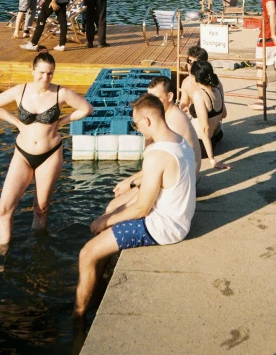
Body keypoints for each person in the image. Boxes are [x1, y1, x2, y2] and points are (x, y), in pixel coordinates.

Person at [73, 93, 196, 318]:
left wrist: (104, 221)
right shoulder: (179, 140)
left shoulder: (158, 154)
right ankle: (96, 281)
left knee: (87, 253)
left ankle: (77, 315)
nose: (137, 128)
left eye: (136, 123)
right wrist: (111, 215)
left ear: (147, 121)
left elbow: (142, 209)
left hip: (163, 228)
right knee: (110, 216)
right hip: (177, 218)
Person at [0, 52, 93, 245]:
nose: (45, 78)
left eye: (50, 73)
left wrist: (62, 121)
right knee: (4, 209)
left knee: (41, 208)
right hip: (22, 154)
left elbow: (86, 108)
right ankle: (2, 258)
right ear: (32, 70)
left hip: (50, 154)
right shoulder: (20, 91)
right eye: (42, 72)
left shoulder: (60, 93)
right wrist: (16, 123)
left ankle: (38, 248)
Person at [107, 75, 201, 212]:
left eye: (155, 99)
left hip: (180, 185)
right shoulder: (162, 118)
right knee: (116, 203)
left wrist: (131, 184)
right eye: (149, 98)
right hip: (176, 176)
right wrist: (130, 181)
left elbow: (159, 166)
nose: (150, 103)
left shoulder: (174, 122)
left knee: (113, 208)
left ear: (169, 97)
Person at [187, 61, 229, 170]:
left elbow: (205, 128)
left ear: (195, 78)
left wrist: (212, 159)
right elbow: (224, 114)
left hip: (201, 146)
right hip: (216, 135)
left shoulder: (199, 95)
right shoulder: (217, 90)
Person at [179, 45, 209, 112]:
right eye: (189, 61)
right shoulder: (186, 82)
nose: (190, 66)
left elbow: (223, 113)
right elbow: (183, 107)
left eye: (194, 64)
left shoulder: (213, 81)